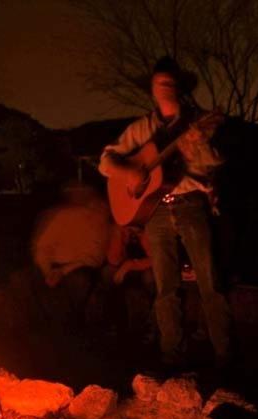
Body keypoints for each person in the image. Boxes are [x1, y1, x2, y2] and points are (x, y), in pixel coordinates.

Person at [99, 56, 231, 370]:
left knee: (210, 282)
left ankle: (226, 356)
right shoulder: (142, 128)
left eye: (171, 82)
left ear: (179, 87)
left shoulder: (197, 123)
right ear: (152, 90)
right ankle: (172, 357)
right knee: (165, 287)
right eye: (160, 83)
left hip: (190, 205)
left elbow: (214, 164)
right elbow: (106, 161)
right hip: (155, 211)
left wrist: (199, 147)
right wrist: (130, 171)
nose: (166, 87)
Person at [31, 183, 111, 334]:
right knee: (29, 280)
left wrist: (63, 271)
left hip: (80, 267)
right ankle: (44, 329)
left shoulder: (97, 217)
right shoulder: (60, 215)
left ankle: (70, 328)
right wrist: (47, 270)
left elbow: (94, 257)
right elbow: (42, 246)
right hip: (54, 265)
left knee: (78, 281)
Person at [102, 224, 155, 339]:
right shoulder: (121, 229)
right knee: (108, 272)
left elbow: (155, 258)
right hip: (127, 268)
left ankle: (151, 325)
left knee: (149, 277)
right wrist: (120, 232)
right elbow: (114, 260)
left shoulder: (146, 229)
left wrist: (130, 265)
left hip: (143, 267)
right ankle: (113, 322)